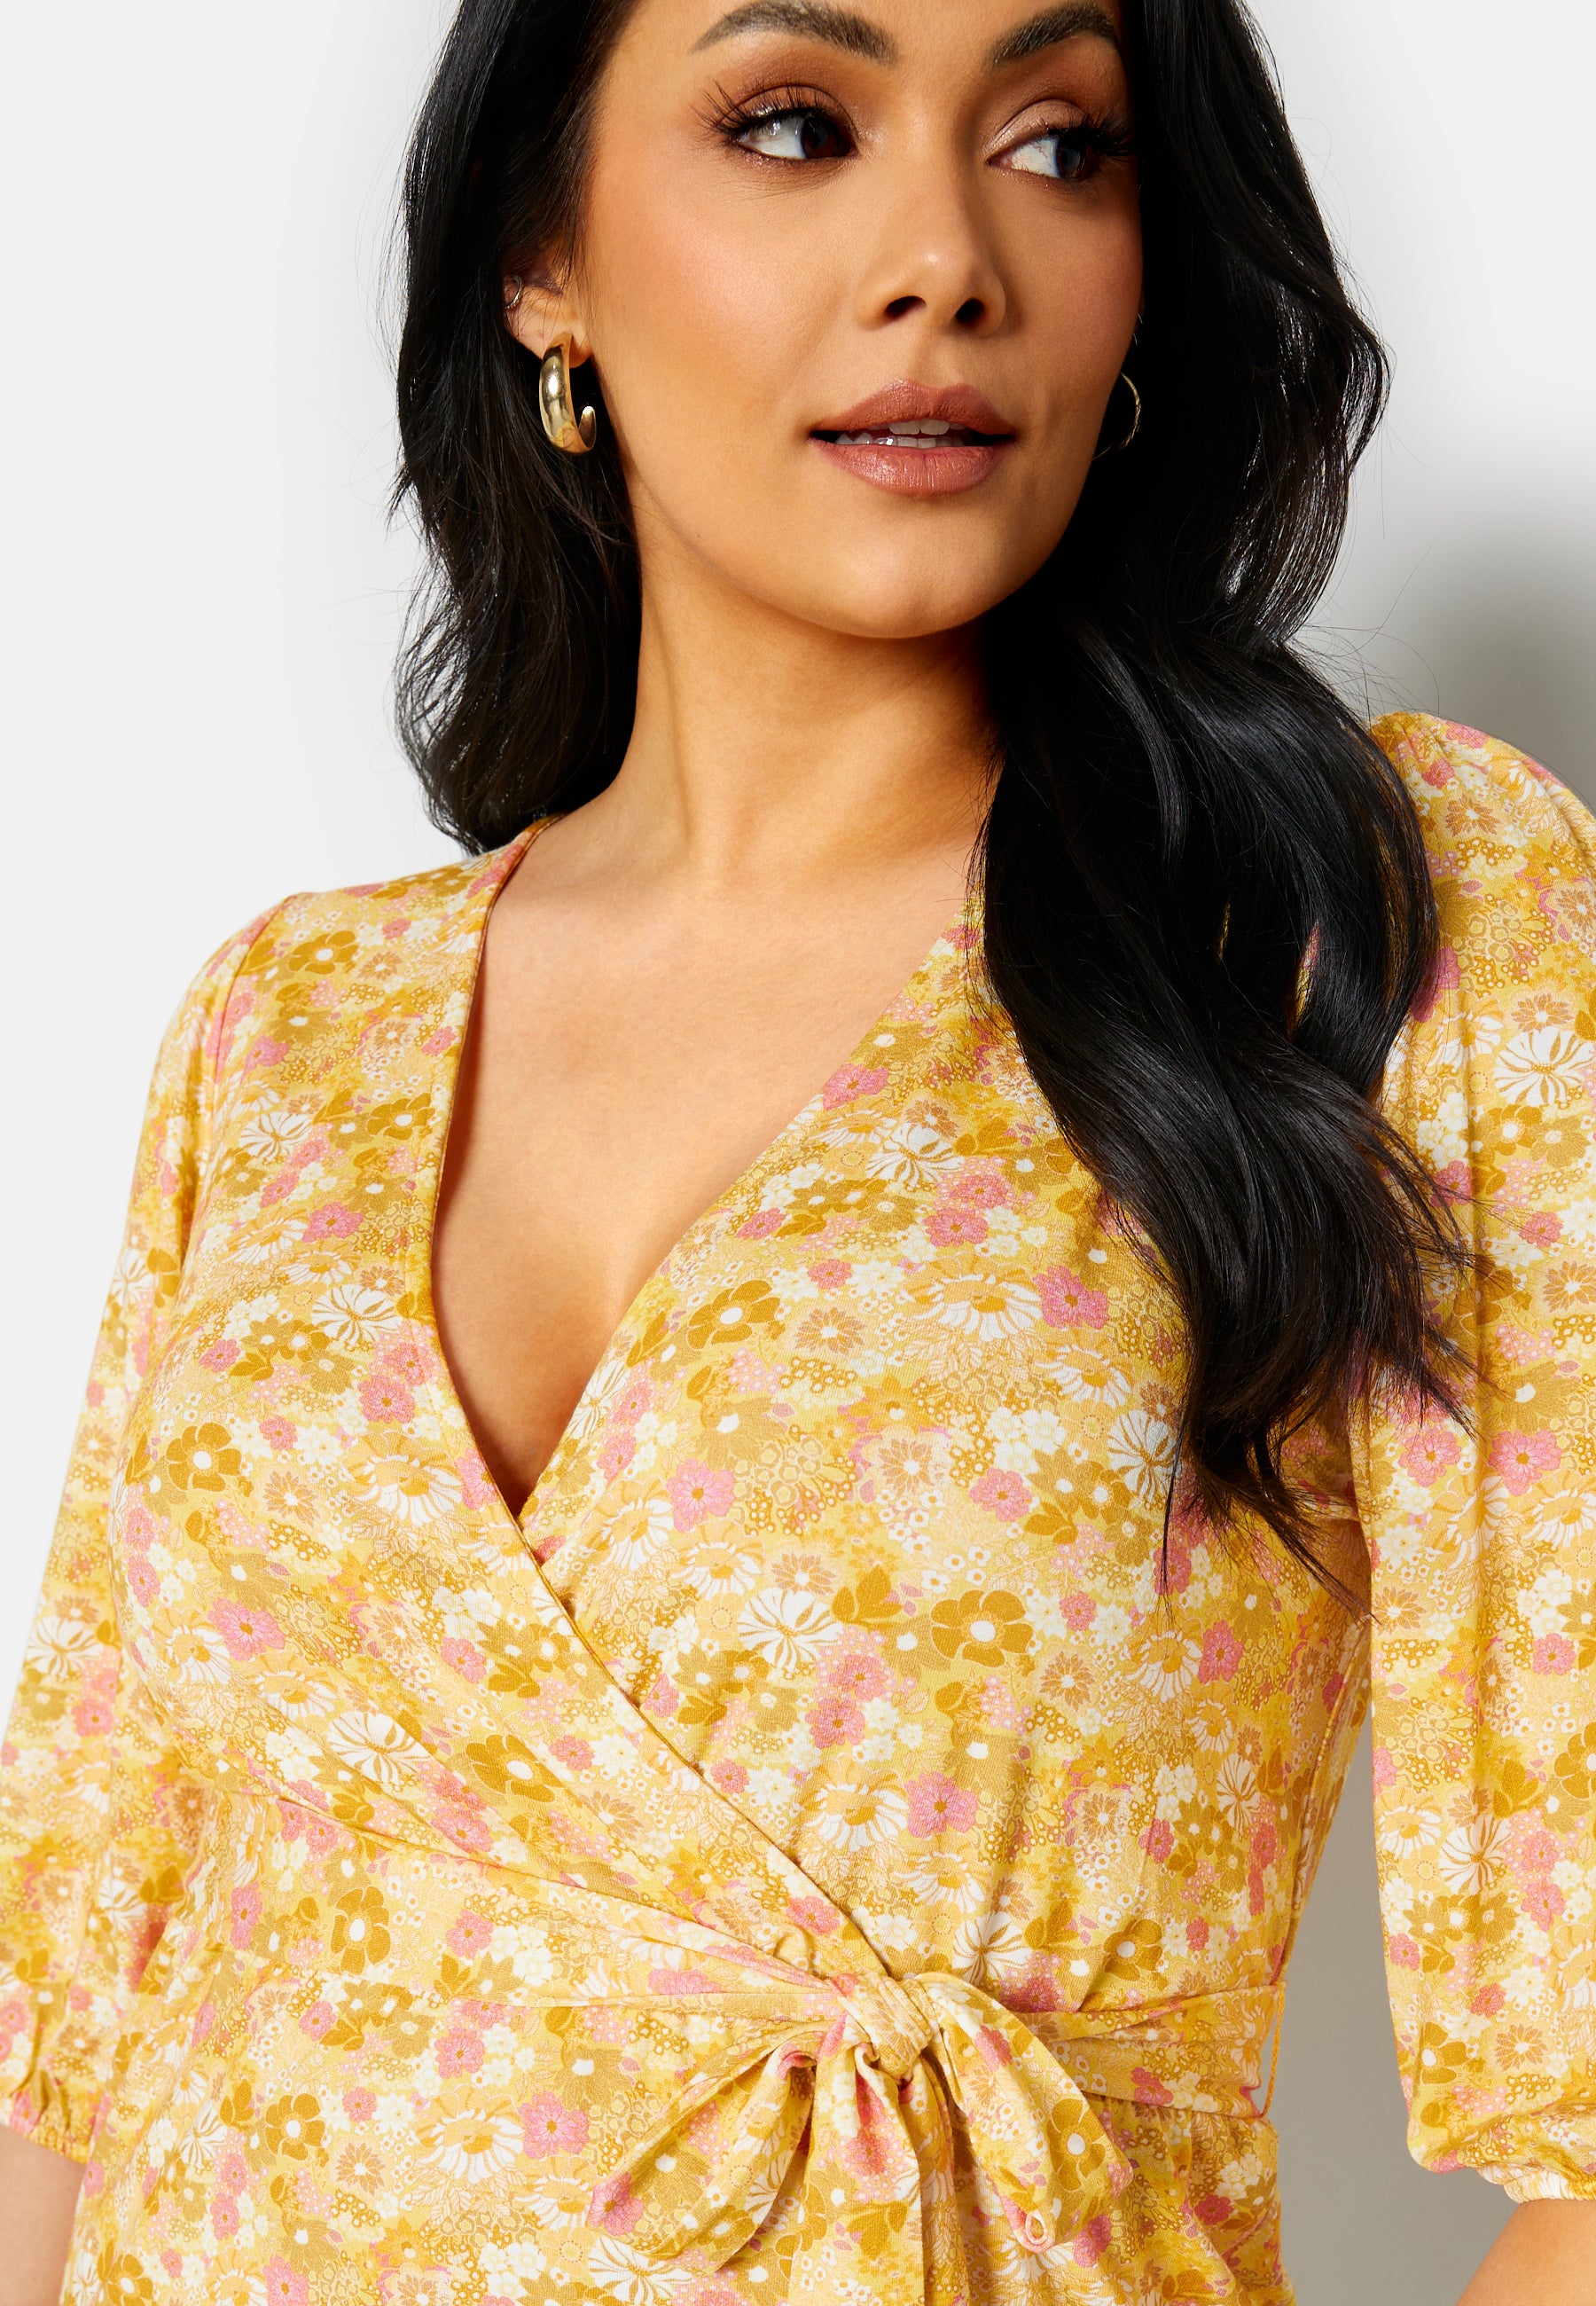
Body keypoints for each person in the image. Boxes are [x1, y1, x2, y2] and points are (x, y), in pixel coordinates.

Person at [4, 0, 1594, 2299]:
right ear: (543, 257)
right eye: (792, 124)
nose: (945, 253)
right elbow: (71, 2021)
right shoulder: (284, 1031)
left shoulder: (1365, 930)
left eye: (1056, 145)